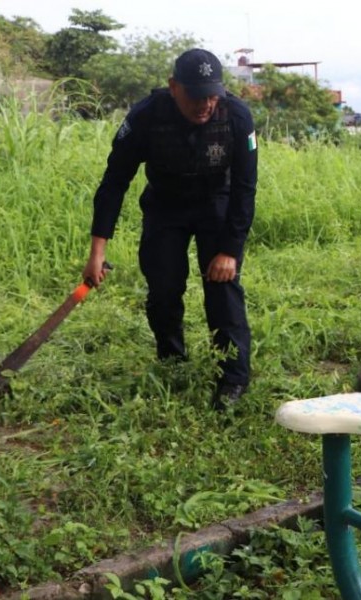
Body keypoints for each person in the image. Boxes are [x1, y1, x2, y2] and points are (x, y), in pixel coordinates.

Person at [82, 48, 258, 410]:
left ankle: (233, 378)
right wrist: (97, 251)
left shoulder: (237, 115)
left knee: (223, 288)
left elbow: (245, 187)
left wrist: (230, 250)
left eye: (212, 94)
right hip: (166, 204)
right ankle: (172, 360)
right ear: (173, 86)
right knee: (163, 287)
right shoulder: (146, 117)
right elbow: (114, 181)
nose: (205, 104)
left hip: (217, 202)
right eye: (196, 95)